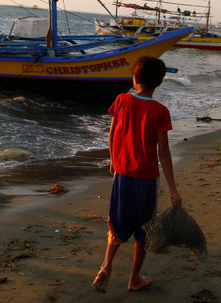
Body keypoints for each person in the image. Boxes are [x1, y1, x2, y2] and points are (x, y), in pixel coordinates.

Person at [92, 56, 182, 293]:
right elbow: (163, 152)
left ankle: (106, 266)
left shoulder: (122, 100)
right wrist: (173, 189)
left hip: (122, 175)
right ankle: (133, 279)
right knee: (144, 230)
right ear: (159, 82)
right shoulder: (160, 111)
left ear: (135, 78)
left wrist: (114, 160)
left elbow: (112, 133)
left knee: (117, 223)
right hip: (147, 179)